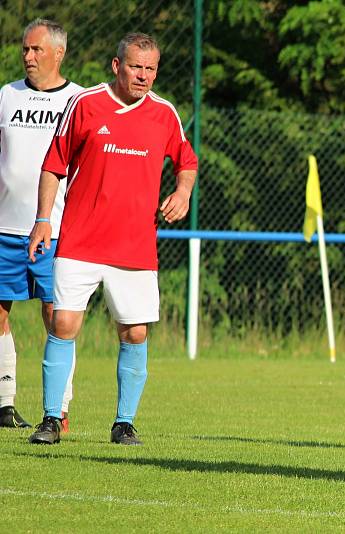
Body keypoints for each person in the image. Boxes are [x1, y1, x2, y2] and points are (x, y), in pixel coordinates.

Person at [26, 32, 198, 446]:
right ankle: (51, 419)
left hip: (135, 245)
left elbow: (187, 161)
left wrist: (182, 192)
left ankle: (124, 423)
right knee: (64, 323)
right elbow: (53, 165)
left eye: (151, 68)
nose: (143, 76)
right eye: (136, 67)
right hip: (81, 239)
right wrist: (43, 219)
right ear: (117, 65)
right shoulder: (84, 104)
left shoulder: (164, 113)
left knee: (135, 333)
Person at [0, 19, 82, 431]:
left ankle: (59, 407)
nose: (28, 57)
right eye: (25, 49)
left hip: (57, 230)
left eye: (37, 50)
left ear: (58, 53)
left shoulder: (79, 101)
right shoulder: (6, 96)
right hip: (4, 227)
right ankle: (3, 402)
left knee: (57, 315)